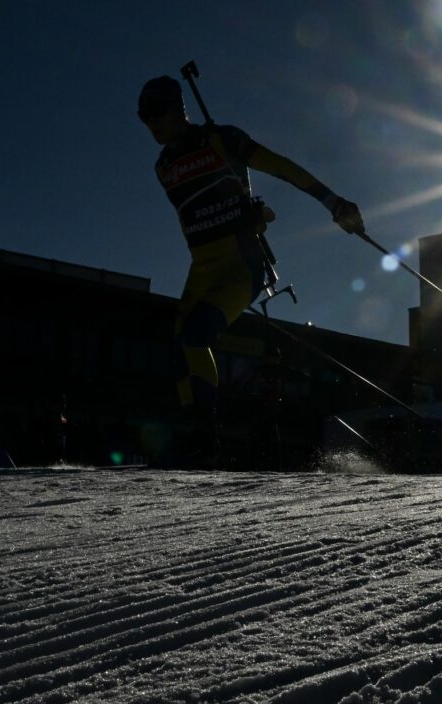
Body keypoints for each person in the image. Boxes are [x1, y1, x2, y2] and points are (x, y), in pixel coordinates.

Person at [138, 75, 363, 464]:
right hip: (203, 267)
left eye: (157, 115)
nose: (151, 125)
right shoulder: (163, 166)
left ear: (178, 110)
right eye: (145, 119)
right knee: (179, 345)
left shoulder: (224, 139)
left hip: (241, 264)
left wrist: (333, 201)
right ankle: (196, 435)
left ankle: (206, 439)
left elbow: (281, 167)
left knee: (195, 334)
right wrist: (249, 209)